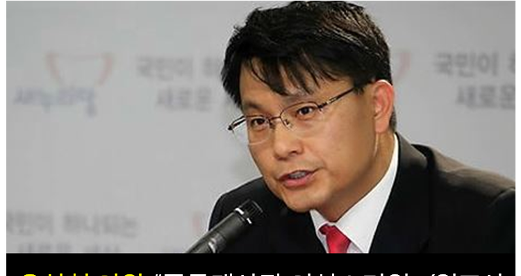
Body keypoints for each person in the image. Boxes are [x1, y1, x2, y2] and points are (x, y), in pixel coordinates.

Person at [208, 0, 516, 253]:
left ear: (377, 105)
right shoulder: (242, 226)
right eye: (259, 121)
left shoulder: (490, 220)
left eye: (305, 111)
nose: (281, 146)